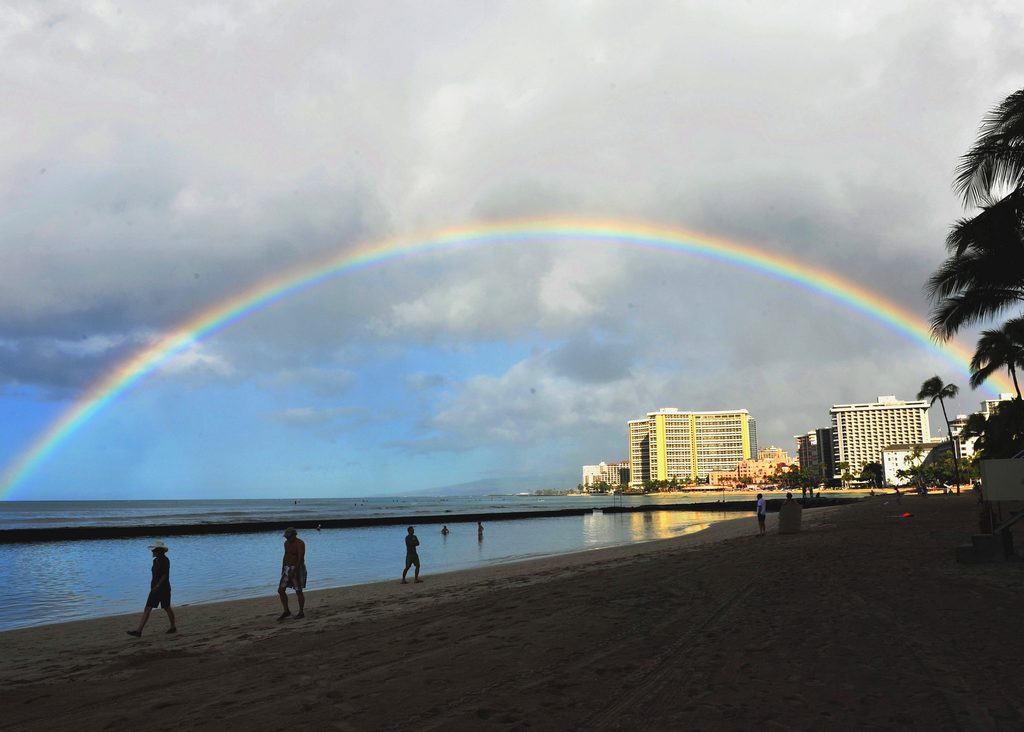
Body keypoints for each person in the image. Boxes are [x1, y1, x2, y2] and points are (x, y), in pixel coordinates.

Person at [127, 541, 176, 637]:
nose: (152, 551)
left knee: (166, 607)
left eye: (153, 550)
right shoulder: (155, 561)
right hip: (154, 588)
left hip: (163, 588)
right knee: (147, 608)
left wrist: (158, 585)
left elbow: (164, 575)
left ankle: (173, 627)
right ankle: (139, 631)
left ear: (158, 551)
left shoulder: (165, 560)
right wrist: (154, 586)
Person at [277, 527, 306, 620]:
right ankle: (286, 611)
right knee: (281, 590)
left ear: (294, 535)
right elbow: (286, 555)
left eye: (289, 537)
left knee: (298, 591)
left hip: (297, 568)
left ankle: (301, 612)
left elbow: (300, 558)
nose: (287, 539)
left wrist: (294, 571)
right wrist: (283, 568)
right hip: (287, 568)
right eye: (286, 537)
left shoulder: (300, 543)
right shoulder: (286, 543)